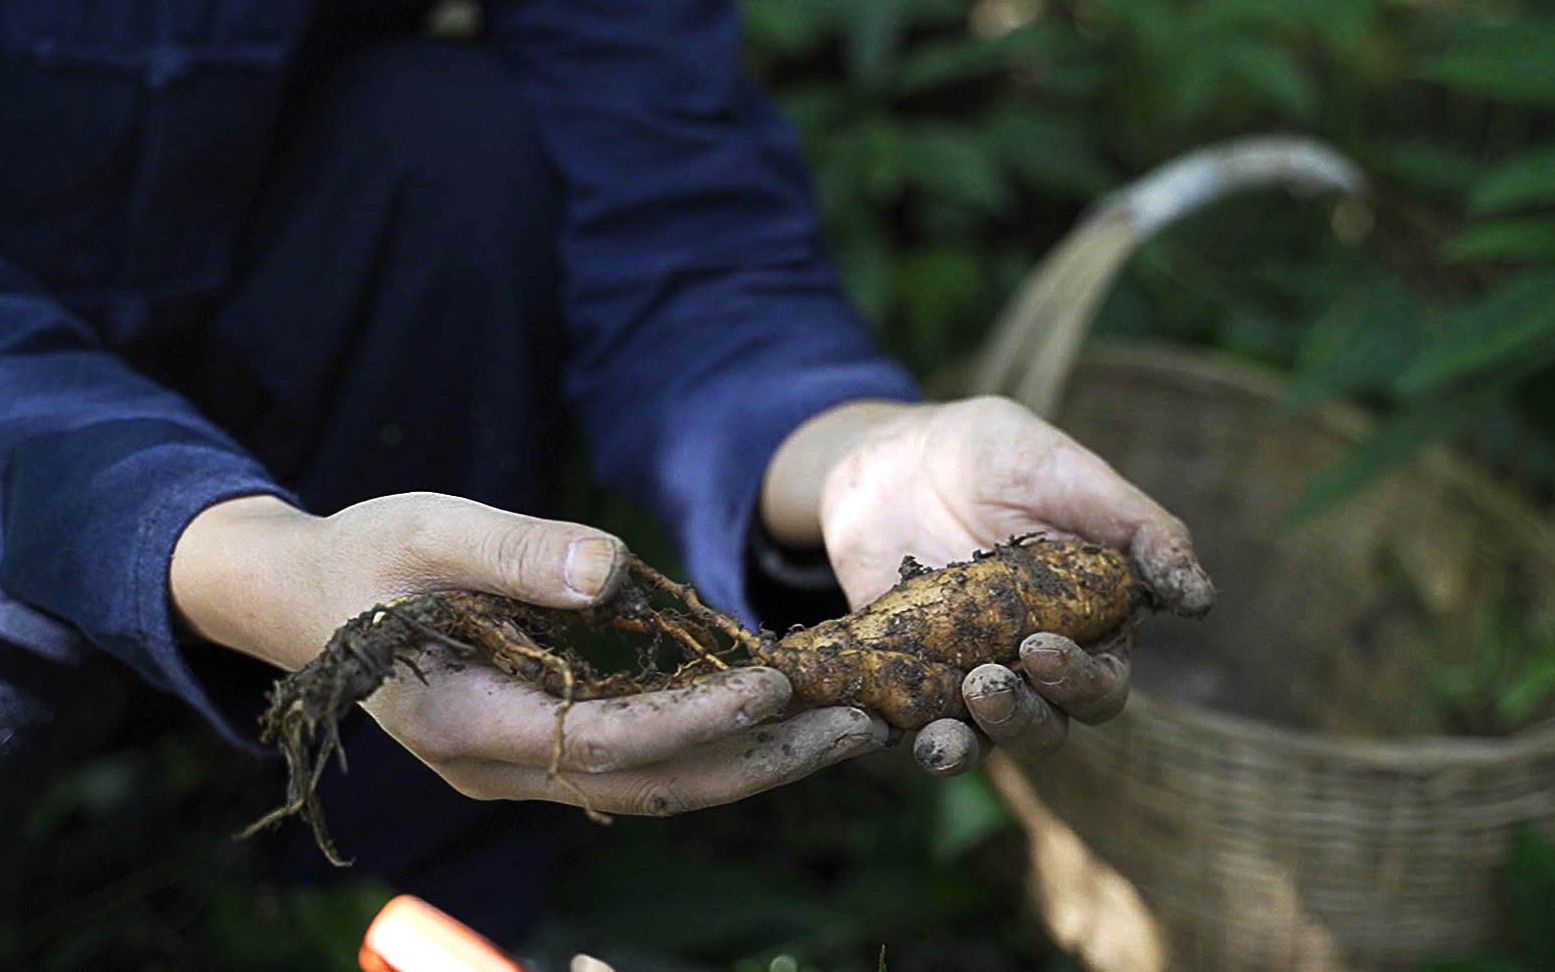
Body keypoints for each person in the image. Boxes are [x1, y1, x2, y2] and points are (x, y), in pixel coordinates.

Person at [0, 0, 1213, 941]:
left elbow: (662, 185)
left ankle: (415, 905)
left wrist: (854, 451)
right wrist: (240, 554)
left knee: (446, 134)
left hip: (272, 335)